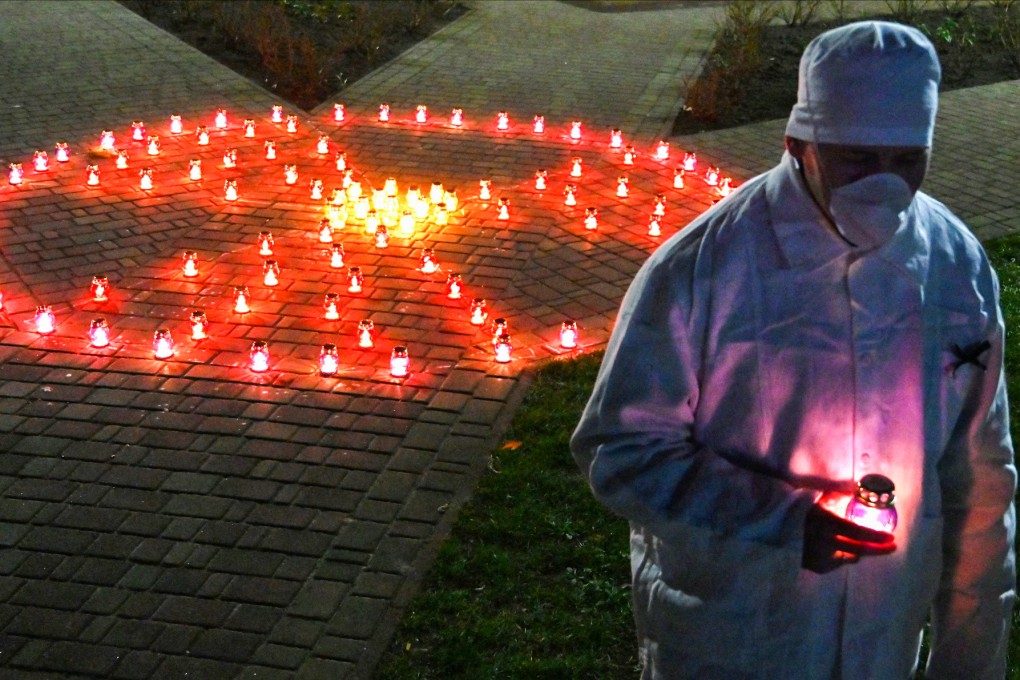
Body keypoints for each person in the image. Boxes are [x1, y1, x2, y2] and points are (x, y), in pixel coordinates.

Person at [570, 20, 1015, 679]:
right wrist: (784, 519)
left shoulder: (955, 266)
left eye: (906, 161)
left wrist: (970, 658)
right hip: (733, 634)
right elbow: (622, 450)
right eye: (856, 160)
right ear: (798, 145)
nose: (883, 186)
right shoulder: (704, 268)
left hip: (882, 637)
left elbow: (981, 476)